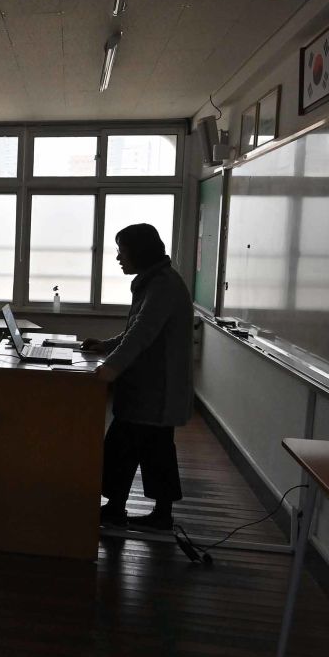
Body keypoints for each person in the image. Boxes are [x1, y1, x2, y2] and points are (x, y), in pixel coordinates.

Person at [83, 223, 193, 531]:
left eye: (122, 251)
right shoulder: (152, 281)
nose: (118, 258)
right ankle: (117, 506)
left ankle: (161, 515)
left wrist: (110, 369)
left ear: (139, 252)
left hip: (158, 390)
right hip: (145, 387)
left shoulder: (162, 285)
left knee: (154, 450)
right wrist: (105, 346)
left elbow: (142, 334)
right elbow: (135, 331)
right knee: (122, 447)